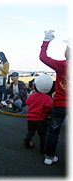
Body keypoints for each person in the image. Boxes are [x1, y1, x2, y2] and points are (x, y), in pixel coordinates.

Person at [40, 30, 69, 165]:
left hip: (59, 104)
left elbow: (43, 57)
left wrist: (46, 41)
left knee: (54, 131)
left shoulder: (62, 65)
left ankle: (49, 157)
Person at [24, 74, 53, 154]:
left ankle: (27, 142)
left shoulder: (32, 96)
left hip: (30, 119)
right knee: (42, 134)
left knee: (31, 132)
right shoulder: (47, 97)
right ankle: (43, 148)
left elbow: (27, 102)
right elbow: (49, 108)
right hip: (41, 120)